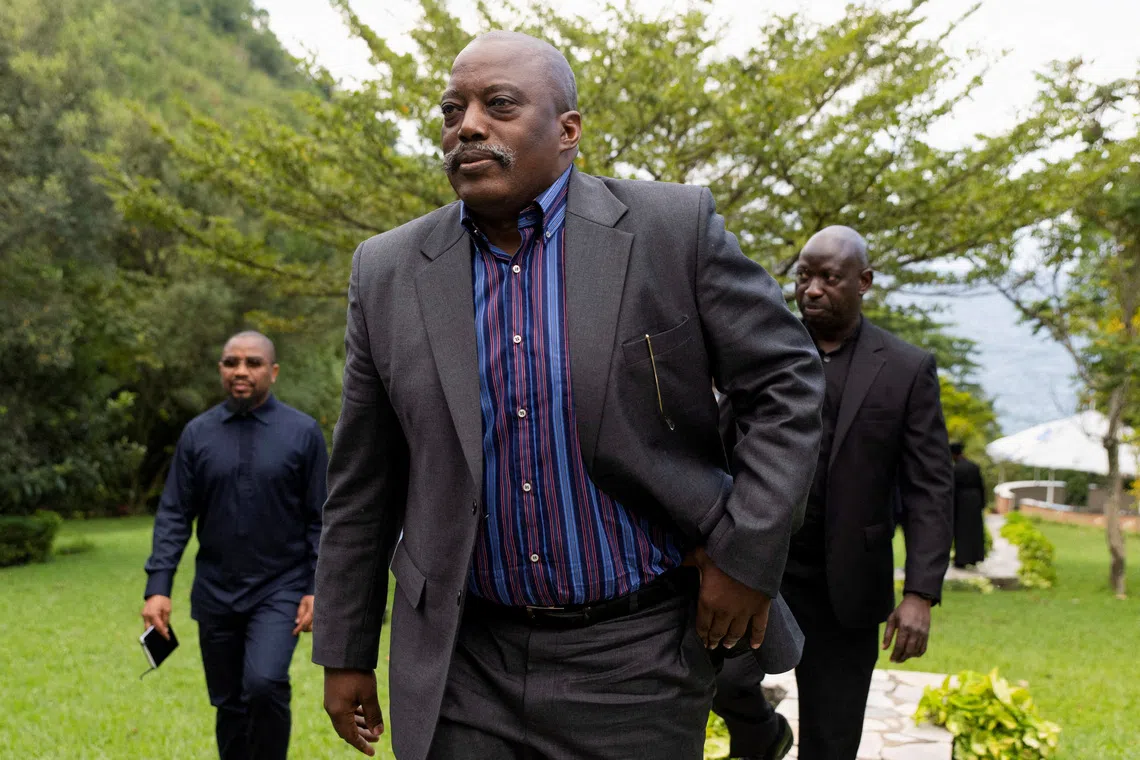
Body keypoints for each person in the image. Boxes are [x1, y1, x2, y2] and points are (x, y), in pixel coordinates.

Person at [312, 30, 825, 760]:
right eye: (452, 110)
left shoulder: (669, 230)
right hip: (466, 657)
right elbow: (363, 479)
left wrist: (745, 554)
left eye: (499, 105)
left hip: (635, 656)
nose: (469, 127)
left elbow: (788, 383)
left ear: (568, 131)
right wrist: (346, 646)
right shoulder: (388, 272)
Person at [713, 226, 954, 760]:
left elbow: (930, 488)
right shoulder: (762, 353)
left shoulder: (907, 369)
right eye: (804, 276)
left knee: (832, 738)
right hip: (759, 573)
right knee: (723, 684)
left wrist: (920, 593)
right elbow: (718, 448)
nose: (812, 290)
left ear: (863, 281)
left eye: (829, 278)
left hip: (848, 587)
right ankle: (762, 735)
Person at [141, 331, 328, 760]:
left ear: (273, 372)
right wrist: (158, 585)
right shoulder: (197, 434)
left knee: (264, 684)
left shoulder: (302, 433)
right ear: (221, 369)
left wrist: (317, 587)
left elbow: (321, 518)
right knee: (228, 702)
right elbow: (174, 514)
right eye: (231, 362)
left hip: (279, 588)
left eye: (253, 362)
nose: (241, 371)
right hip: (216, 590)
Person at [951, 442, 987, 568]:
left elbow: (952, 488)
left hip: (961, 501)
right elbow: (981, 486)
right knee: (974, 530)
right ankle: (974, 557)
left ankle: (961, 559)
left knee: (961, 531)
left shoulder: (955, 469)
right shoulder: (973, 466)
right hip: (975, 500)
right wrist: (982, 503)